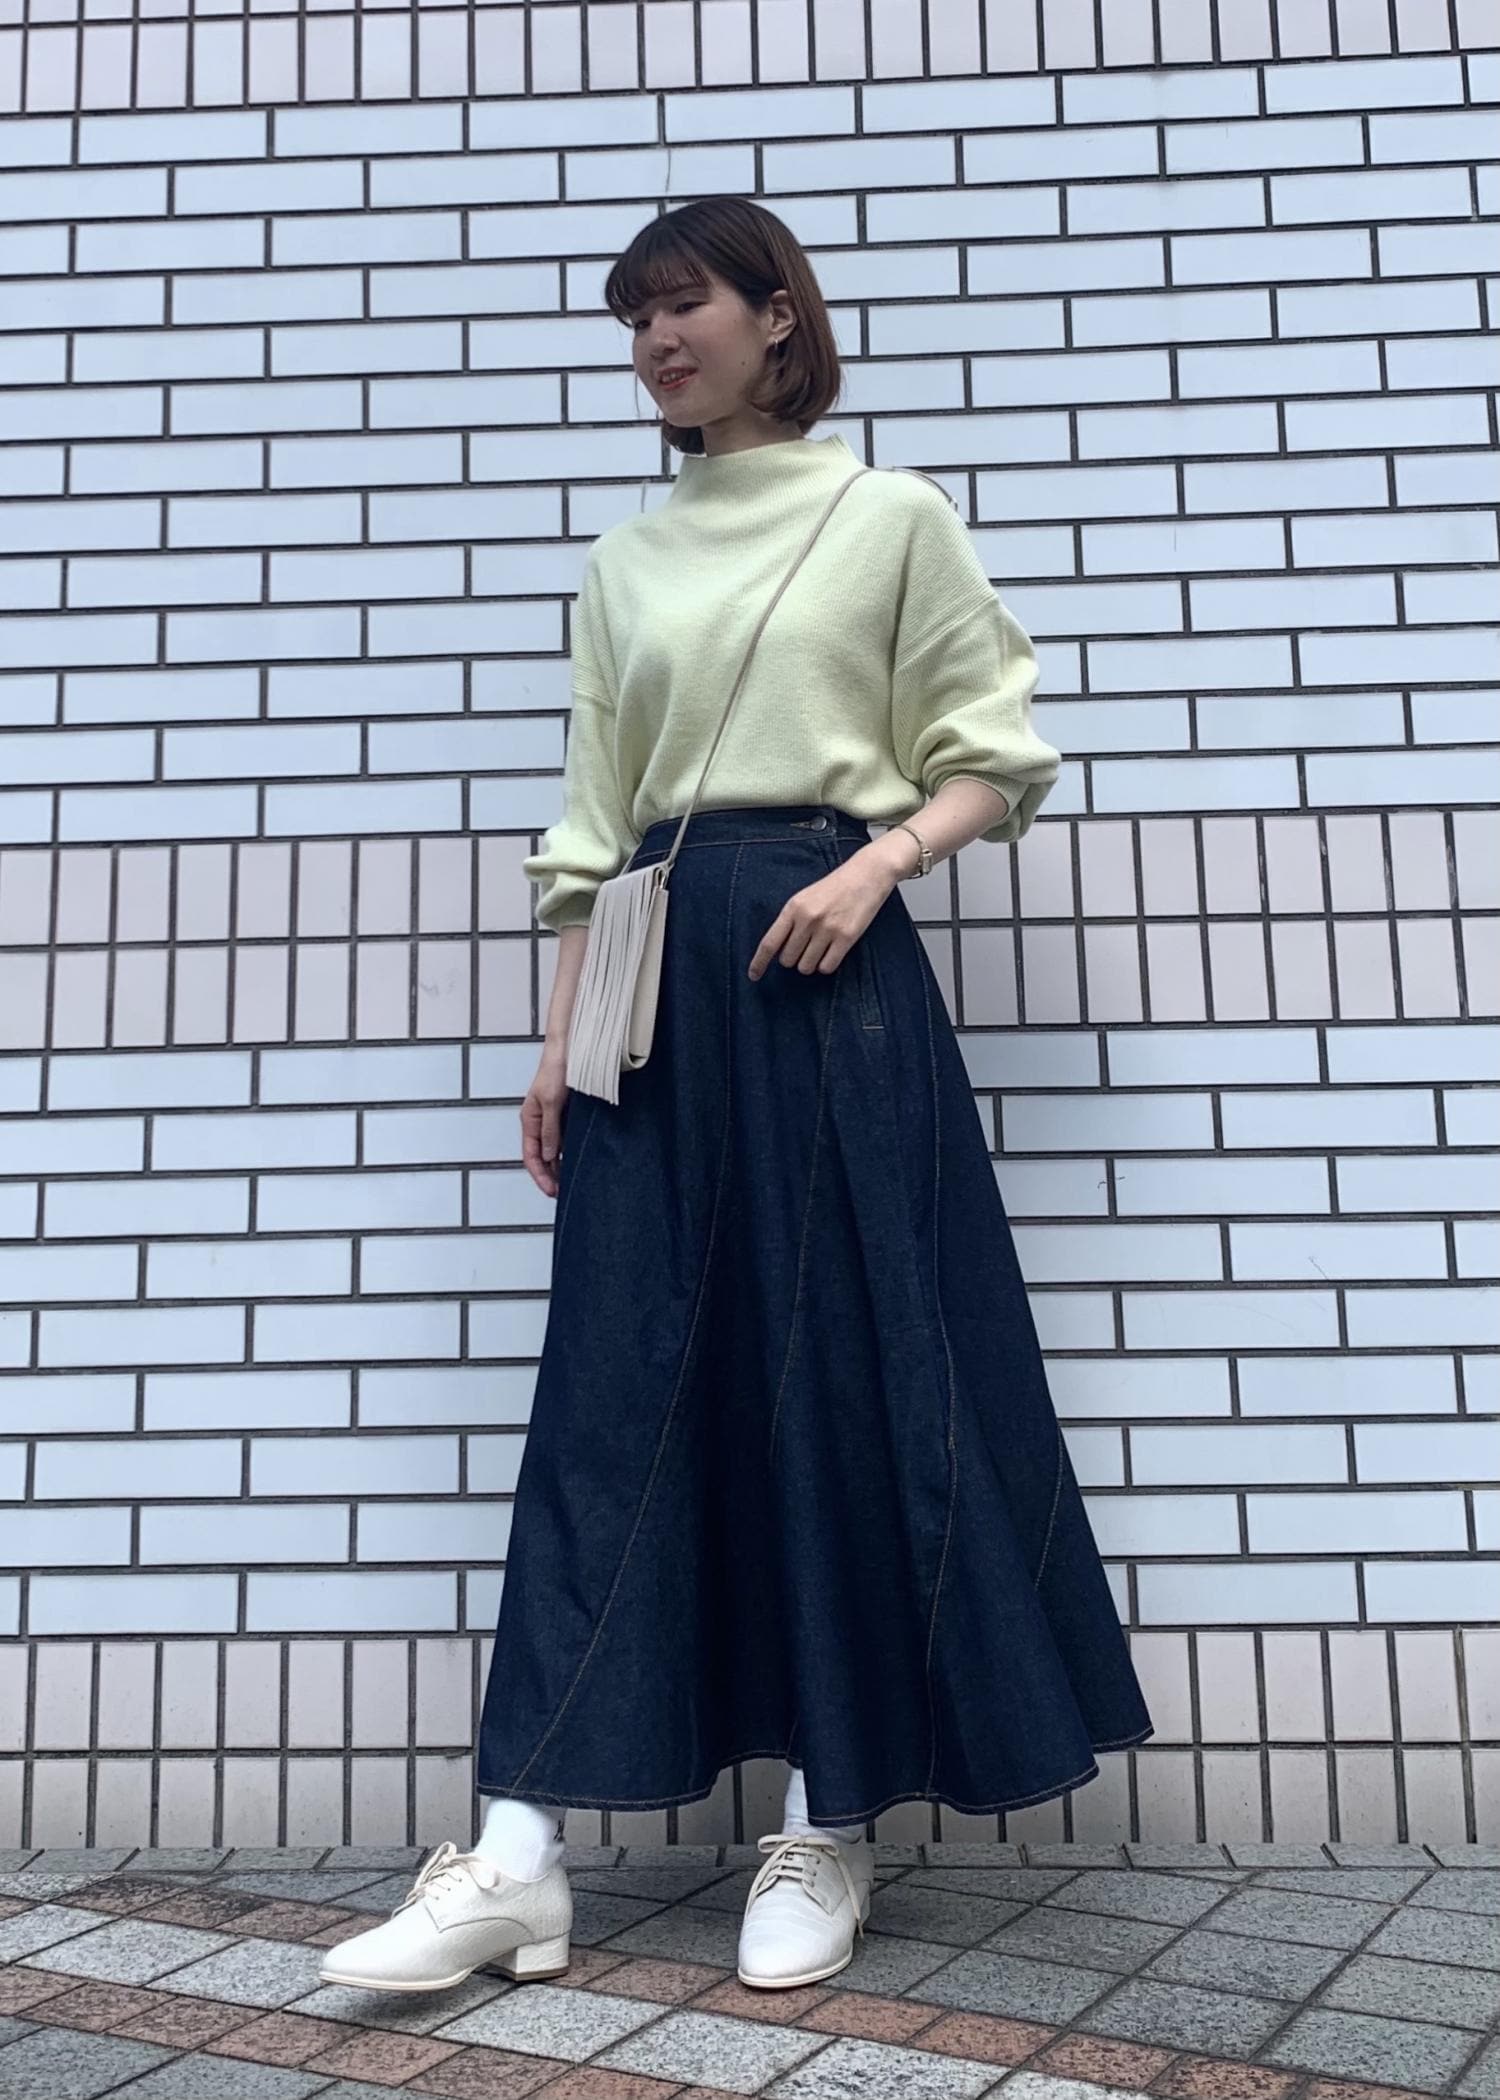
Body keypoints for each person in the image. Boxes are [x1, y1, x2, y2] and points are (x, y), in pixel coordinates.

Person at [321, 194, 1154, 2002]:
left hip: (826, 970)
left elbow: (996, 752)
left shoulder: (888, 518)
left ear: (780, 317)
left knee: (839, 1375)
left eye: (680, 303)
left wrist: (877, 865)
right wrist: (560, 1041)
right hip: (651, 989)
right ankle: (516, 1854)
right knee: (608, 1395)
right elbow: (590, 829)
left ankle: (827, 1819)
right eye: (631, 317)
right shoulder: (624, 562)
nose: (652, 341)